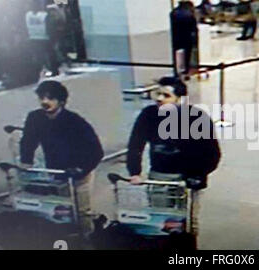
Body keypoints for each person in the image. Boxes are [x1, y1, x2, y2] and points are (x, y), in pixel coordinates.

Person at [126, 76, 221, 237]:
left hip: (187, 178)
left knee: (188, 221)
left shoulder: (196, 117)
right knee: (159, 219)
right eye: (158, 94)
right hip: (159, 175)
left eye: (166, 95)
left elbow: (211, 152)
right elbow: (136, 143)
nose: (160, 99)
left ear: (179, 99)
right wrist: (135, 172)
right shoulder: (148, 115)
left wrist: (198, 175)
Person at [20, 80, 104, 234]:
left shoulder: (75, 121)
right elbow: (28, 141)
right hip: (56, 170)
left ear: (62, 102)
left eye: (50, 98)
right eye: (42, 98)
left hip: (80, 170)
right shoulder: (35, 118)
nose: (45, 102)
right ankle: (66, 237)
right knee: (60, 208)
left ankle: (87, 239)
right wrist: (26, 162)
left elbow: (96, 151)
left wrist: (81, 169)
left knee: (82, 210)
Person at [25, 0, 60, 76]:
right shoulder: (44, 15)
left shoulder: (28, 14)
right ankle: (52, 70)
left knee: (40, 56)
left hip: (34, 38)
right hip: (43, 38)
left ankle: (43, 70)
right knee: (49, 55)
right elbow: (50, 27)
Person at [170, 1, 199, 76]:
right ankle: (186, 70)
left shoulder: (173, 13)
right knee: (187, 55)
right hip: (187, 37)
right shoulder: (189, 14)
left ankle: (176, 70)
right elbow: (194, 28)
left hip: (175, 37)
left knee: (176, 54)